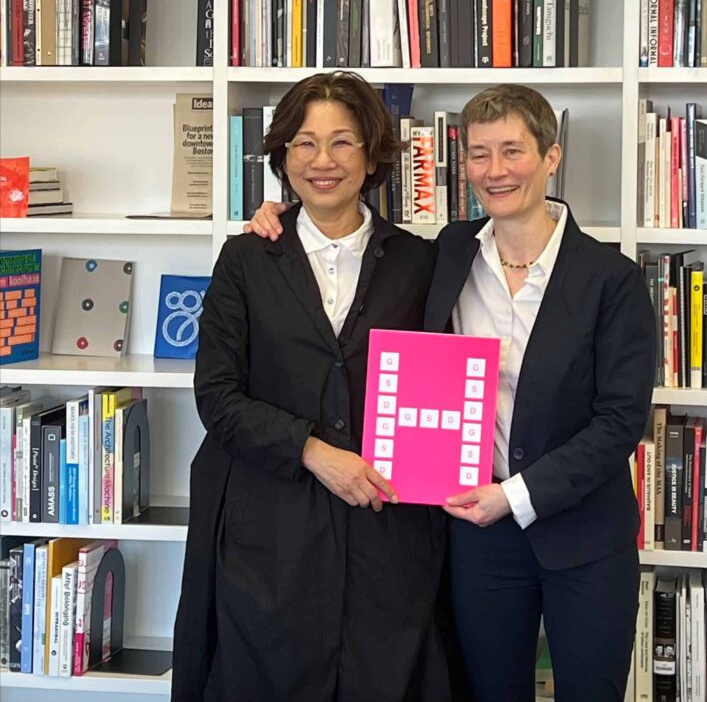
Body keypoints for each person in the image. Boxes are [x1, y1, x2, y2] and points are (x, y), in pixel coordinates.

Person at [247, 82, 656, 702]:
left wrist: (512, 497)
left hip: (583, 539)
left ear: (552, 157)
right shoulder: (445, 254)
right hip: (476, 536)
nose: (495, 171)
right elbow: (340, 235)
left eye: (513, 152)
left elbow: (620, 421)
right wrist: (278, 211)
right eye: (479, 154)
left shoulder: (613, 278)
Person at [172, 71, 451, 702]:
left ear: (373, 155)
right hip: (269, 524)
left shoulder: (420, 260)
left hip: (384, 524)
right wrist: (313, 452)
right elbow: (216, 395)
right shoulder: (245, 258)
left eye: (343, 142)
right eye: (304, 143)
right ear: (282, 157)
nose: (322, 161)